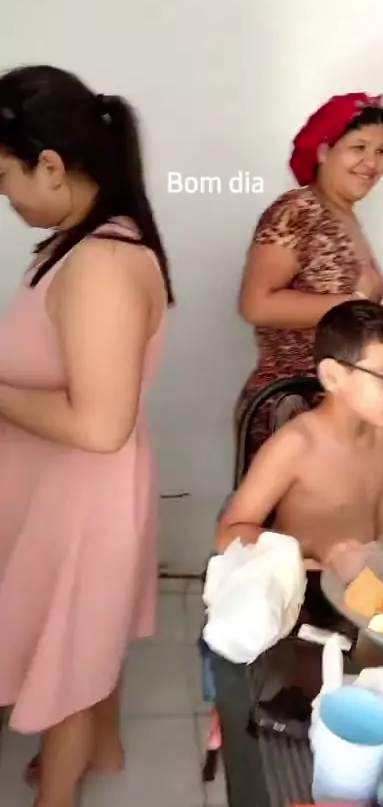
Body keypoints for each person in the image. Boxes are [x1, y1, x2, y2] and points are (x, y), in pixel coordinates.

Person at [0, 65, 173, 807]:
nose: (4, 196)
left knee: (71, 647)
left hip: (82, 498)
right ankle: (101, 748)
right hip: (66, 492)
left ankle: (60, 790)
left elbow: (100, 427)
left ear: (50, 165)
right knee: (85, 632)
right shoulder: (79, 245)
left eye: (3, 176)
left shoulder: (100, 262)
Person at [217, 300, 383, 623]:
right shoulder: (297, 445)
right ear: (333, 376)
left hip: (361, 592)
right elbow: (228, 535)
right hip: (301, 599)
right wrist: (317, 551)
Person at [237, 93, 383, 461]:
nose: (372, 162)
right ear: (324, 150)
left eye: (381, 151)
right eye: (359, 147)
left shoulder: (345, 216)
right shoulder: (297, 210)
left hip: (336, 407)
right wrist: (355, 302)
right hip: (292, 407)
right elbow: (256, 304)